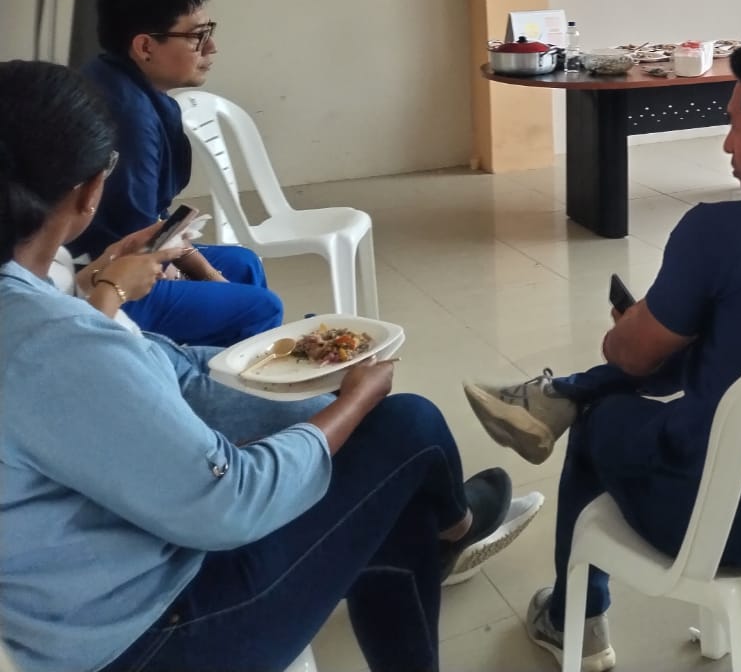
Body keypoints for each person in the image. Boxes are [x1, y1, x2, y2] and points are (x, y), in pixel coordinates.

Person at [0, 60, 540, 672]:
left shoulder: (33, 304)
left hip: (86, 590)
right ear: (89, 191)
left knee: (381, 475)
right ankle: (452, 526)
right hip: (153, 634)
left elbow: (122, 384)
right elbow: (227, 501)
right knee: (406, 426)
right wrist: (351, 403)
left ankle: (442, 524)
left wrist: (102, 287)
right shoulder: (49, 341)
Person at [462, 42, 741, 672]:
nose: (726, 145)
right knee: (711, 343)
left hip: (712, 522)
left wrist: (634, 329)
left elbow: (629, 356)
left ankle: (574, 619)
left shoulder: (718, 234)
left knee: (602, 421)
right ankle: (558, 397)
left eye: (734, 126)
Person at [68, 0, 282, 347]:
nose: (211, 47)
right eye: (197, 36)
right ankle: (207, 377)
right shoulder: (127, 114)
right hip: (98, 273)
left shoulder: (122, 83)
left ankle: (223, 366)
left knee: (244, 263)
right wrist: (209, 276)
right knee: (259, 307)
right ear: (145, 47)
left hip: (126, 249)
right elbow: (137, 234)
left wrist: (203, 272)